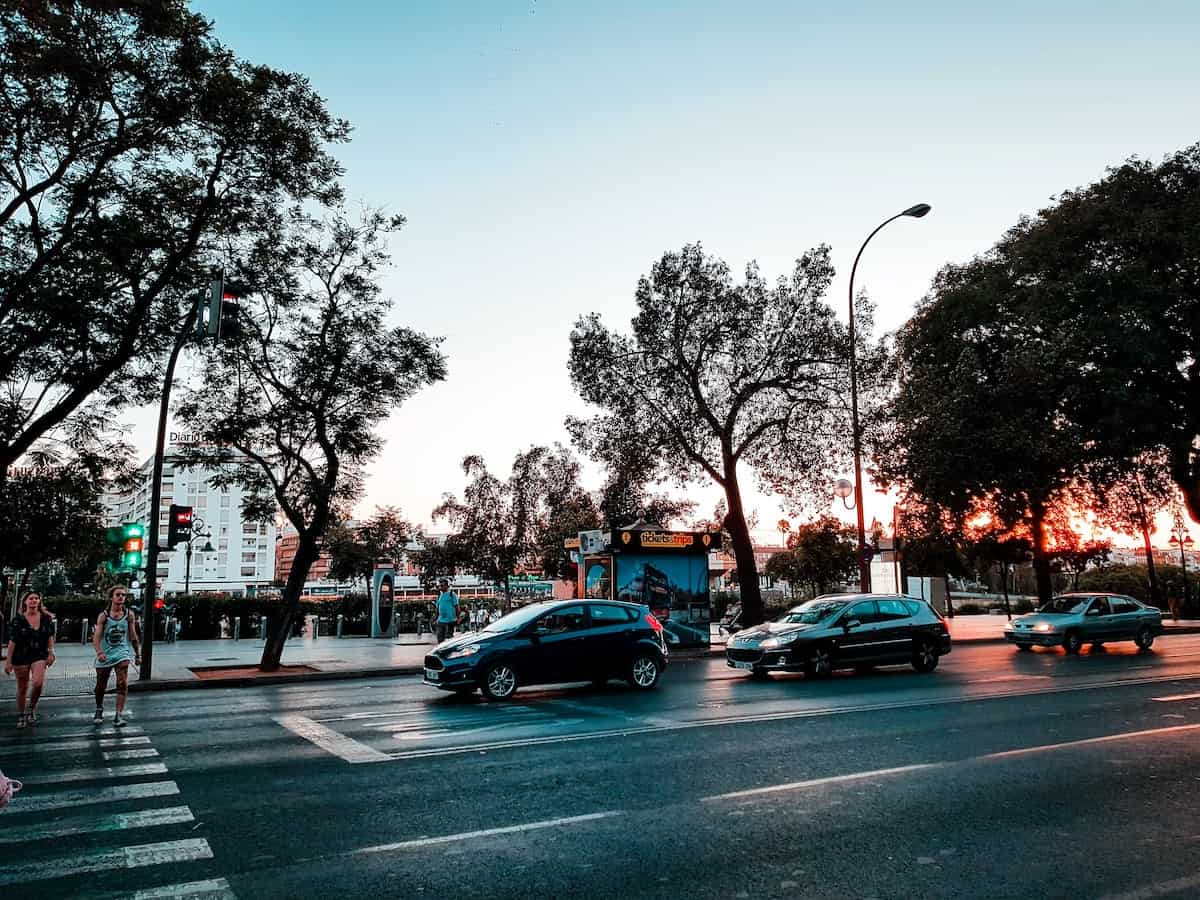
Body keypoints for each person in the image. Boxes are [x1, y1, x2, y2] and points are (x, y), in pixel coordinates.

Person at [4, 592, 56, 729]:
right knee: (22, 687)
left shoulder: (46, 618)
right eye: (31, 598)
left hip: (39, 654)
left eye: (36, 598)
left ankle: (31, 707)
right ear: (25, 602)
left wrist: (51, 652)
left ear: (39, 601)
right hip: (20, 656)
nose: (34, 600)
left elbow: (50, 636)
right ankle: (21, 714)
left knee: (38, 683)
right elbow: (12, 642)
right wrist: (8, 661)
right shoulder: (18, 620)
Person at [92, 585, 141, 727]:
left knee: (122, 683)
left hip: (122, 652)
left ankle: (118, 715)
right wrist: (99, 652)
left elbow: (133, 635)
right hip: (106, 653)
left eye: (123, 595)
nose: (121, 597)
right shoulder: (104, 616)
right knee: (101, 685)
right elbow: (96, 638)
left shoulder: (129, 614)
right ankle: (99, 709)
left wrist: (138, 654)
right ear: (111, 597)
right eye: (118, 594)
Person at [435, 579, 459, 643]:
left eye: (442, 585)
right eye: (440, 586)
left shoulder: (452, 594)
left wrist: (458, 618)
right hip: (441, 620)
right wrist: (436, 618)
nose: (440, 587)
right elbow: (437, 608)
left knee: (449, 638)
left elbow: (456, 607)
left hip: (450, 620)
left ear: (447, 586)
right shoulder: (439, 596)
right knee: (440, 637)